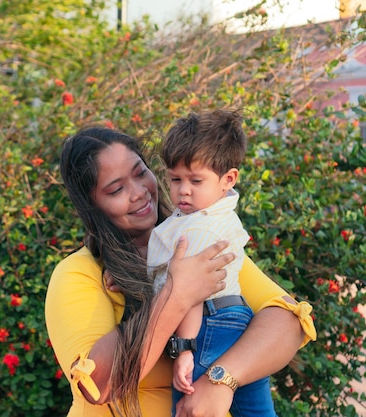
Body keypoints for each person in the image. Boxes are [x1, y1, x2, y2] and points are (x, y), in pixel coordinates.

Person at [45, 126, 316, 417]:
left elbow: (288, 318)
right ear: (92, 206)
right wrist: (177, 294)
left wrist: (221, 380)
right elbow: (98, 385)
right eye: (116, 189)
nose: (138, 193)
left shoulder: (195, 238)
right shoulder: (78, 274)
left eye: (140, 173)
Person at [146, 109, 271, 416]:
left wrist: (185, 349)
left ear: (228, 179)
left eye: (195, 180)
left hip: (207, 324)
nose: (183, 189)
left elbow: (191, 293)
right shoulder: (207, 215)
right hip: (235, 322)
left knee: (190, 408)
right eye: (175, 179)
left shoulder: (199, 228)